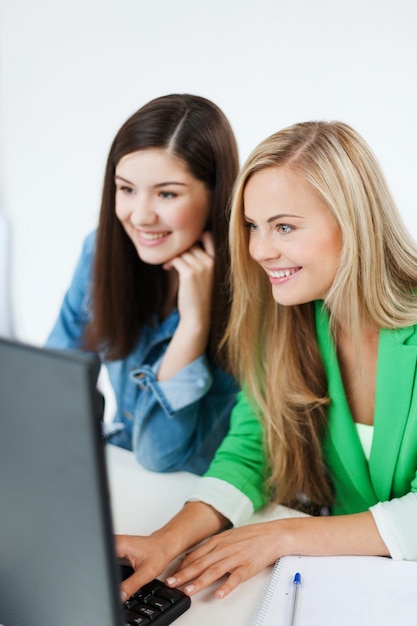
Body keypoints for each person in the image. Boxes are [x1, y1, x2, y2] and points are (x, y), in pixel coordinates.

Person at [116, 120, 417, 602]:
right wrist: (165, 540)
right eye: (253, 226)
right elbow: (252, 450)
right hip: (343, 585)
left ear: (354, 222)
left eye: (284, 227)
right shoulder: (289, 320)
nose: (258, 249)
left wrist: (283, 537)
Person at [46, 94, 240, 474]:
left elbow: (159, 454)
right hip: (120, 472)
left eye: (167, 193)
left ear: (216, 193)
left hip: (197, 495)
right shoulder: (101, 251)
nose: (141, 216)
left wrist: (193, 325)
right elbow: (55, 383)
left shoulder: (254, 287)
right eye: (126, 189)